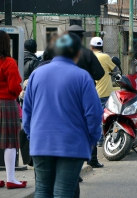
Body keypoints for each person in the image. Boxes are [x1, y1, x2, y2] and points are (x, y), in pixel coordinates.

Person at [22, 33, 102, 197]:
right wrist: (92, 140)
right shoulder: (83, 77)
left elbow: (27, 111)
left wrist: (32, 135)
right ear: (77, 53)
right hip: (72, 144)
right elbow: (93, 114)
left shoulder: (37, 74)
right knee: (64, 191)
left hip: (40, 142)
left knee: (42, 190)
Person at [67, 25, 104, 169]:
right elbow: (100, 74)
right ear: (82, 38)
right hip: (85, 94)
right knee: (89, 124)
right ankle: (92, 158)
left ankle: (73, 165)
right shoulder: (87, 54)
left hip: (66, 96)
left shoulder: (60, 53)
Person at [0, 30, 26, 189]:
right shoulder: (9, 62)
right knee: (10, 142)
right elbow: (13, 86)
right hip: (6, 104)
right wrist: (19, 90)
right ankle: (11, 178)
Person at [89, 37, 116, 147]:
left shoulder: (88, 57)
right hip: (104, 92)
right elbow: (114, 70)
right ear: (102, 46)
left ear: (91, 47)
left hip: (90, 92)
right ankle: (100, 139)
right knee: (104, 116)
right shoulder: (105, 57)